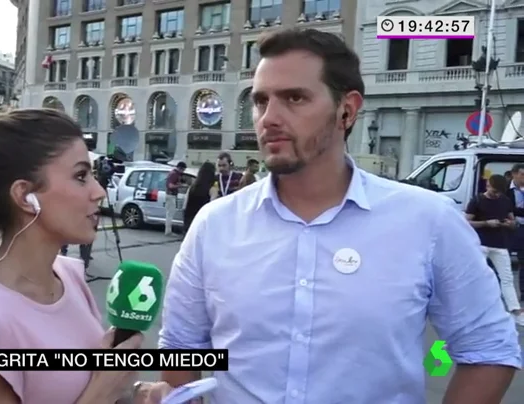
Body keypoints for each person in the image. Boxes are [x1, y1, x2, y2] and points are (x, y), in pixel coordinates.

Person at [147, 28, 522, 403]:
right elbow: (182, 344)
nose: (268, 118)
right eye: (261, 101)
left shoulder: (428, 221)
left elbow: (488, 350)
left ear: (347, 109)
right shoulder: (216, 225)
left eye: (294, 98)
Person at [0, 108, 147, 404]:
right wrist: (103, 392)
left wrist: (139, 393)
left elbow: (75, 385)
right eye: (81, 176)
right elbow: (95, 389)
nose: (98, 192)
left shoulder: (69, 275)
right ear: (24, 196)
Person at [466, 174, 524, 325]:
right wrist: (486, 223)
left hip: (500, 244)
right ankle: (472, 309)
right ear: (488, 185)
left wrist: (508, 224)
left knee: (507, 278)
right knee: (476, 277)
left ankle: (515, 310)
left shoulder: (505, 201)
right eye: (494, 191)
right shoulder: (477, 200)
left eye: (499, 192)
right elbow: (467, 222)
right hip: (481, 244)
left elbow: (512, 221)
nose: (496, 194)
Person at [182, 162, 216, 235]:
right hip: (203, 224)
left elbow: (184, 207)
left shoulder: (191, 188)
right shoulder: (212, 189)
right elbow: (212, 209)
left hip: (190, 223)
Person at [507, 163, 524, 302]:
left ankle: (523, 293)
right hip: (509, 228)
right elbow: (508, 208)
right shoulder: (506, 189)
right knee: (503, 261)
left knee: (523, 261)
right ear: (514, 174)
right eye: (522, 175)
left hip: (523, 228)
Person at [164, 162, 187, 235]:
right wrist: (180, 186)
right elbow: (170, 186)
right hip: (171, 195)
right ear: (180, 168)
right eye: (183, 170)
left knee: (170, 213)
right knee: (170, 214)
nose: (183, 171)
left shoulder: (174, 173)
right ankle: (168, 231)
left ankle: (168, 230)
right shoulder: (174, 174)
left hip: (171, 195)